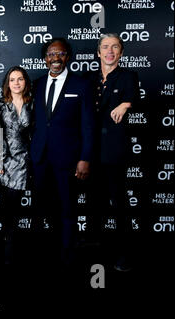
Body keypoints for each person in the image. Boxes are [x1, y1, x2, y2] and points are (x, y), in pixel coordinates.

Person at [30, 38, 94, 266]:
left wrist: (85, 158)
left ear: (68, 57)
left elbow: (88, 125)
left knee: (68, 207)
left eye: (60, 54)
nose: (55, 58)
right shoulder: (36, 84)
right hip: (40, 158)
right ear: (44, 58)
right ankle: (50, 250)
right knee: (44, 206)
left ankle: (67, 254)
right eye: (50, 54)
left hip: (68, 159)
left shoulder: (81, 85)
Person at [84, 33, 139, 272]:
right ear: (98, 53)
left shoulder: (128, 77)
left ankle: (123, 253)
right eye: (105, 47)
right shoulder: (88, 79)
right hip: (90, 152)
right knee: (93, 202)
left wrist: (126, 104)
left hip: (115, 152)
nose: (110, 51)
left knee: (119, 204)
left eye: (115, 47)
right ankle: (94, 248)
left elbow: (135, 96)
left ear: (121, 53)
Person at [0, 66, 33, 264]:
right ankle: (7, 243)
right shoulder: (1, 105)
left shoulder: (33, 104)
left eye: (20, 79)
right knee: (8, 207)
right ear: (7, 84)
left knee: (22, 206)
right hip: (6, 162)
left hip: (28, 160)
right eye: (12, 79)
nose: (16, 83)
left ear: (26, 82)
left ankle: (18, 243)